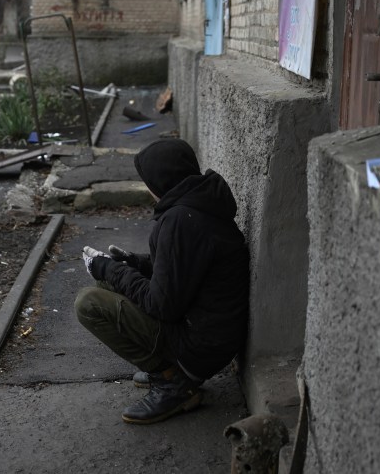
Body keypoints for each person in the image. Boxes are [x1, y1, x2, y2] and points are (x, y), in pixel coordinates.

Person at [75, 138, 250, 425]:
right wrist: (134, 262)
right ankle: (172, 371)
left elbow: (162, 305)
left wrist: (110, 269)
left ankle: (173, 382)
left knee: (89, 303)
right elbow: (187, 269)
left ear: (159, 181)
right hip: (214, 336)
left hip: (200, 346)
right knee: (108, 286)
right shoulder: (201, 203)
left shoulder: (180, 220)